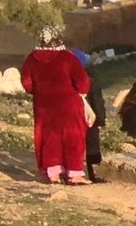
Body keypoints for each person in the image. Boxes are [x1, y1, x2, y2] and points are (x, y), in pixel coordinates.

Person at [18, 26, 93, 185]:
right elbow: (82, 81)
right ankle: (74, 175)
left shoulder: (31, 59)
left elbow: (26, 83)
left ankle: (53, 174)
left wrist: (40, 92)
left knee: (49, 138)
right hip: (69, 105)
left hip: (44, 106)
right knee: (73, 137)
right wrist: (82, 93)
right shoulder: (67, 57)